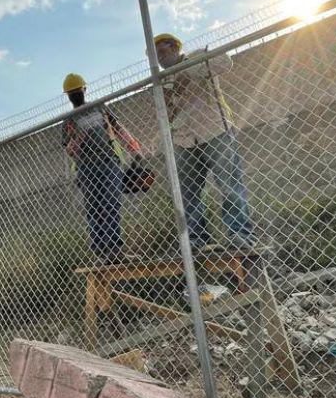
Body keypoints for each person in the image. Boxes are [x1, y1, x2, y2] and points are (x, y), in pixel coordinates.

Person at [154, 33, 254, 251]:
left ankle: (240, 234)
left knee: (229, 186)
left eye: (162, 52)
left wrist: (187, 71)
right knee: (188, 195)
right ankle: (197, 240)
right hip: (184, 140)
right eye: (156, 55)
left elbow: (224, 63)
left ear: (174, 48)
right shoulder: (162, 80)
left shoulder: (197, 57)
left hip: (214, 131)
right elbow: (166, 111)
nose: (159, 58)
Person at [62, 73, 145, 264]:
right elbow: (68, 149)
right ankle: (101, 253)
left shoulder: (99, 108)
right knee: (94, 208)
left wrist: (134, 148)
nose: (75, 94)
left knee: (111, 204)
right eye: (72, 93)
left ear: (85, 89)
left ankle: (114, 251)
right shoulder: (68, 120)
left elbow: (118, 128)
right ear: (68, 96)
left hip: (109, 162)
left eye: (77, 91)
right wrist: (79, 136)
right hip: (86, 168)